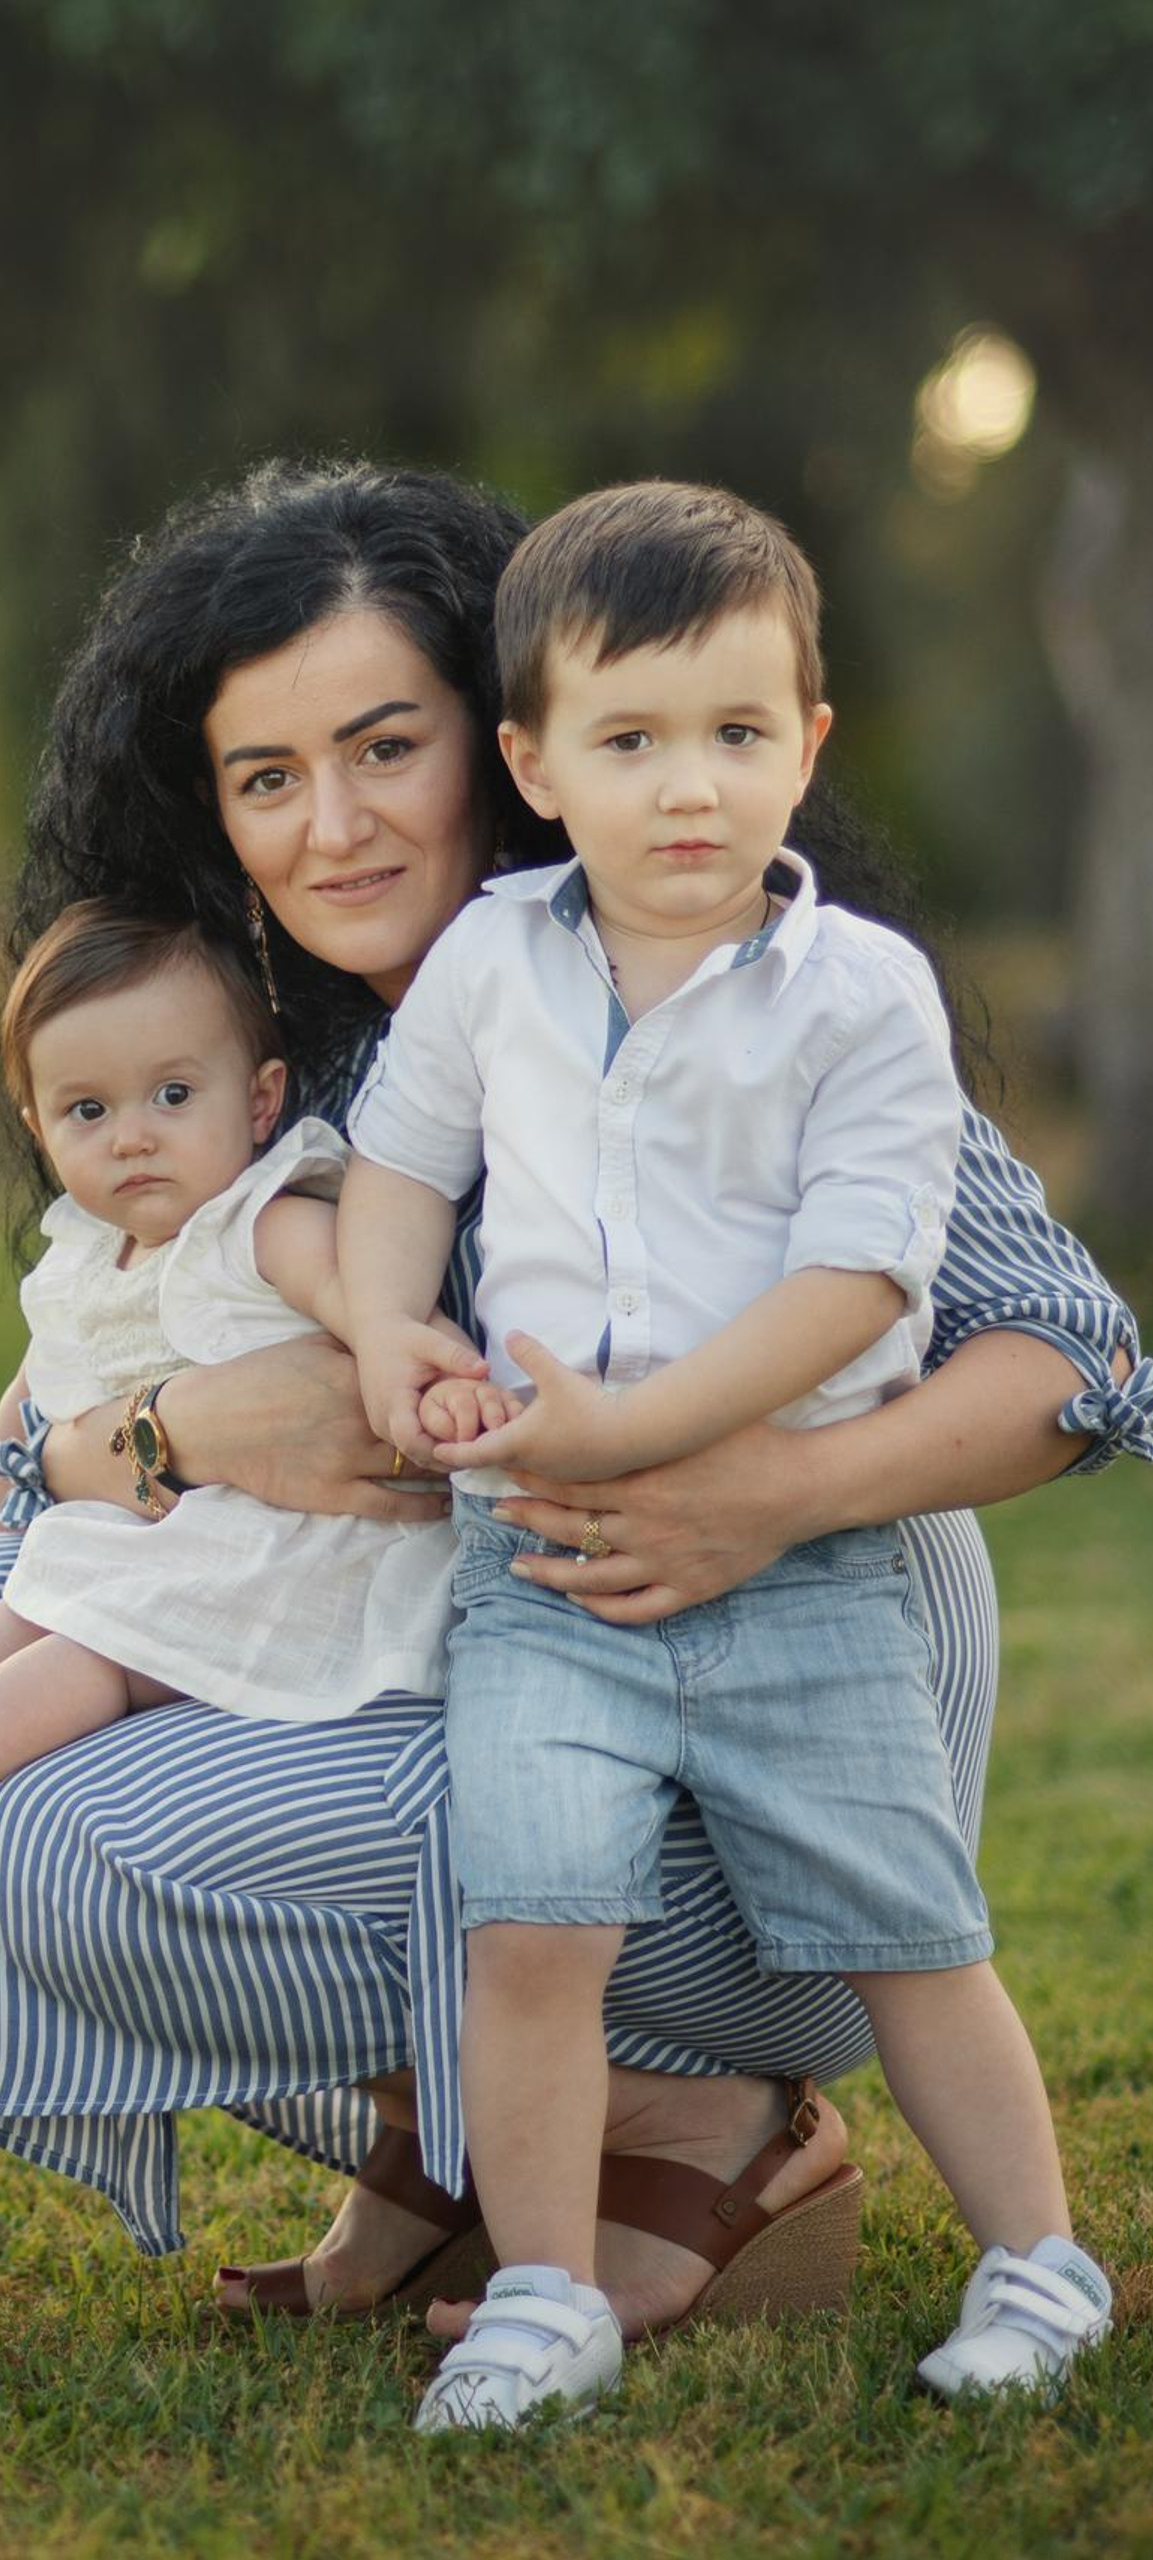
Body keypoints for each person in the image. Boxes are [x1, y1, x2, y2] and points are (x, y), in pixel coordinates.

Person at [0, 459, 1149, 2343]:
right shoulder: (269, 1057)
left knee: (84, 1845)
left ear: (503, 751)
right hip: (508, 1647)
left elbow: (1085, 1365)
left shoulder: (748, 995)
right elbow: (37, 1448)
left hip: (784, 1645)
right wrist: (186, 1435)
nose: (331, 827)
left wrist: (761, 1489)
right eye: (269, 779)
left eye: (382, 748)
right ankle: (460, 2150)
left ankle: (704, 2109)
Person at [338, 481, 1112, 2428]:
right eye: (627, 738)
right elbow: (399, 1163)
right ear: (528, 762)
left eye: (734, 732)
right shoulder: (492, 960)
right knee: (529, 1924)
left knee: (901, 1930)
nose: (686, 785)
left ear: (806, 743)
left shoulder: (857, 994)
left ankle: (1035, 2255)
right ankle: (537, 2289)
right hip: (544, 1568)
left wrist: (638, 1428)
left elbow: (859, 1280)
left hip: (804, 1577)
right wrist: (386, 1331)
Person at [0, 900, 456, 1850]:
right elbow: (11, 1465)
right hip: (182, 1534)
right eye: (88, 1111)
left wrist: (407, 1358)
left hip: (305, 1551)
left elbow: (365, 1299)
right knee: (50, 1583)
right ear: (40, 1128)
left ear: (261, 1101)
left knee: (98, 1643)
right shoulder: (86, 1261)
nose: (132, 1136)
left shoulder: (262, 1217)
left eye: (173, 1096)